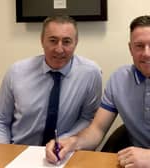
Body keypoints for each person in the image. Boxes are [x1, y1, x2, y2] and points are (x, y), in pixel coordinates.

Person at [46, 15, 150, 168]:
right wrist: (72, 142)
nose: (146, 53)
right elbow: (97, 129)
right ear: (130, 49)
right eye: (139, 46)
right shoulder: (119, 79)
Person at [0, 15, 102, 146]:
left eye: (66, 41)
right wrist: (2, 154)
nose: (59, 49)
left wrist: (62, 142)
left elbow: (88, 118)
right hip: (19, 150)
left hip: (64, 152)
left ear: (76, 43)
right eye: (53, 40)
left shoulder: (90, 74)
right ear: (42, 41)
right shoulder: (16, 72)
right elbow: (0, 120)